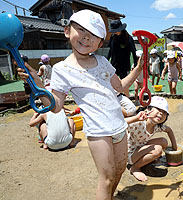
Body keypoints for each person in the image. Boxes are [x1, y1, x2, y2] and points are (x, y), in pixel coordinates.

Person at [18, 10, 144, 200]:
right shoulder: (62, 69)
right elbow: (56, 106)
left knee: (118, 171)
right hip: (99, 131)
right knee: (107, 178)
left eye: (94, 35)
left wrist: (138, 69)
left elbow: (120, 87)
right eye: (81, 30)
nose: (87, 37)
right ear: (67, 31)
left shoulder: (102, 61)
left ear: (100, 43)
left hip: (119, 125)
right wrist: (37, 84)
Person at [125, 96, 178, 182]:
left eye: (164, 112)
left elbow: (169, 130)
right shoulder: (139, 123)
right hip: (130, 154)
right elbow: (120, 123)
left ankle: (148, 160)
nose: (161, 113)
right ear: (147, 110)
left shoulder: (156, 126)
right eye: (158, 109)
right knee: (157, 149)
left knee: (163, 141)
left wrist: (174, 147)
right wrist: (135, 118)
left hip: (140, 147)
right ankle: (135, 167)